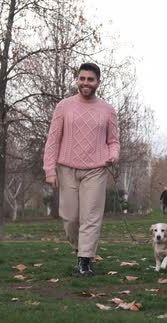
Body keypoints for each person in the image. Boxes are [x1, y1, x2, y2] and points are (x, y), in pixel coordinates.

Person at [43, 62, 120, 276]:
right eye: (82, 78)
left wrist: (113, 155)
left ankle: (85, 260)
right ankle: (80, 250)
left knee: (90, 217)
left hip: (96, 169)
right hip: (66, 168)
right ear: (77, 79)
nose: (86, 83)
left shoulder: (107, 110)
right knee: (70, 218)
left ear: (98, 82)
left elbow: (113, 141)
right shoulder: (63, 106)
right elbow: (52, 140)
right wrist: (49, 169)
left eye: (90, 79)